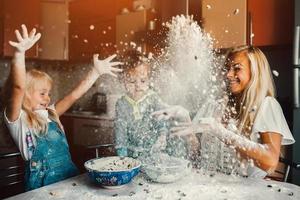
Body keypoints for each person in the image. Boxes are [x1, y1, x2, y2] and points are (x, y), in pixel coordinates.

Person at [4, 25, 122, 190]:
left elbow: (73, 96)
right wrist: (19, 54)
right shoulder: (19, 120)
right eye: (42, 93)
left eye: (49, 93)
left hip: (69, 178)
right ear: (26, 95)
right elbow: (18, 87)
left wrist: (95, 72)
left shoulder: (51, 113)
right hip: (42, 186)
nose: (48, 98)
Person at [152, 45, 295, 178]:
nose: (228, 74)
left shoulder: (266, 106)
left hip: (247, 192)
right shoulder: (213, 105)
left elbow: (270, 163)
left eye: (236, 68)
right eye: (227, 68)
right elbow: (198, 157)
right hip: (209, 186)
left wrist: (220, 131)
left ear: (255, 72)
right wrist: (185, 118)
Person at [114, 50, 198, 159]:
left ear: (149, 80)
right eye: (132, 81)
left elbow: (162, 118)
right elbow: (120, 130)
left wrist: (162, 136)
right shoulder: (121, 104)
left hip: (153, 151)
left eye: (143, 81)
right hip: (131, 153)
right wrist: (122, 154)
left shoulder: (153, 98)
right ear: (123, 80)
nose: (138, 86)